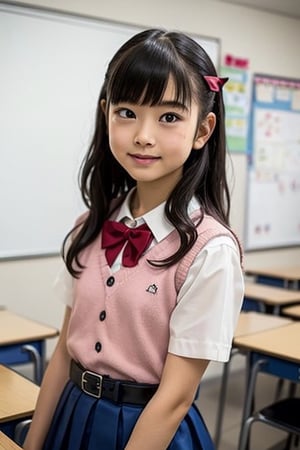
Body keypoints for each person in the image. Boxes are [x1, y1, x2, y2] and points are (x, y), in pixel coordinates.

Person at [23, 28, 244, 450]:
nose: (143, 135)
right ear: (106, 113)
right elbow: (63, 354)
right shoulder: (89, 225)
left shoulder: (210, 250)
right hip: (71, 413)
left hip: (147, 429)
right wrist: (32, 444)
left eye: (169, 117)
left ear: (203, 130)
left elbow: (176, 398)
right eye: (127, 112)